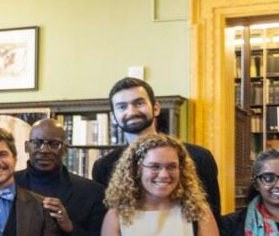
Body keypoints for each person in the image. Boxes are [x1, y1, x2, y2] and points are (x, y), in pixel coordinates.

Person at [91, 77, 220, 215]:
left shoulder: (199, 157)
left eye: (139, 103)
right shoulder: (104, 167)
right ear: (114, 117)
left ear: (156, 108)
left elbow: (213, 217)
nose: (131, 111)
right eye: (122, 107)